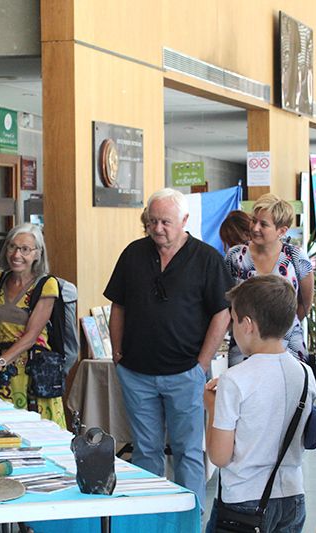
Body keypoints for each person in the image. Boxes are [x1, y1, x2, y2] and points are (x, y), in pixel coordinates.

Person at [105, 187, 233, 508]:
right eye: (152, 221)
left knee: (188, 450)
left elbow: (222, 312)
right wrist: (117, 353)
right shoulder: (133, 254)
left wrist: (201, 364)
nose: (158, 228)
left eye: (166, 222)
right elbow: (117, 306)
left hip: (185, 372)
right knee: (145, 450)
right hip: (136, 372)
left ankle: (189, 517)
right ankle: (151, 514)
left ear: (184, 220)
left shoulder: (207, 259)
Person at [204, 275, 316, 533]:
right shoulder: (304, 373)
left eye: (233, 320)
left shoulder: (234, 380)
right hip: (292, 496)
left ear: (247, 325)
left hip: (243, 501)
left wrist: (212, 408)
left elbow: (220, 457)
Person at [0, 223, 66, 427]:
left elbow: (30, 337)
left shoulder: (46, 285)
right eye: (12, 247)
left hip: (33, 372)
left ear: (37, 254)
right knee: (1, 431)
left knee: (37, 433)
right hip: (2, 373)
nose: (17, 254)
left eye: (25, 249)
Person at [225, 193, 314, 363]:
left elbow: (304, 303)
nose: (255, 228)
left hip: (287, 344)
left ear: (282, 230)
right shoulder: (235, 256)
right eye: (253, 220)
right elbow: (226, 301)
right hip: (245, 344)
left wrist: (280, 327)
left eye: (263, 224)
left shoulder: (296, 256)